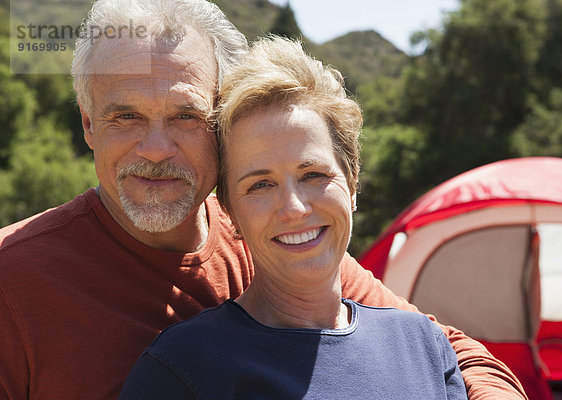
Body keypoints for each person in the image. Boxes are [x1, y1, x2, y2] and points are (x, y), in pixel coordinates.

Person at [0, 0, 526, 399]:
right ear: (89, 125)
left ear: (222, 128)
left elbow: (446, 352)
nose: (156, 149)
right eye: (125, 116)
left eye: (187, 116)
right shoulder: (13, 282)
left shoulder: (274, 236)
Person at [119, 36, 469, 399]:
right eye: (260, 185)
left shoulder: (422, 345)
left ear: (351, 185)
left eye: (313, 175)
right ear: (231, 212)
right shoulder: (182, 369)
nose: (295, 208)